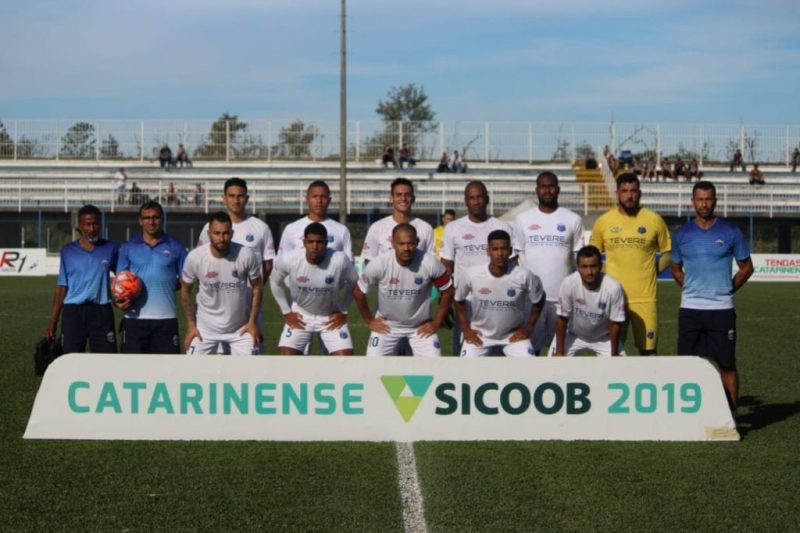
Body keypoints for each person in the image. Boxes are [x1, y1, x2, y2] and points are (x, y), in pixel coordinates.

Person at [670, 181, 754, 414]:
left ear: (715, 201)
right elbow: (675, 267)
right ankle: (687, 415)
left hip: (722, 310)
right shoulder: (681, 234)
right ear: (693, 202)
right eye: (700, 199)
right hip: (690, 310)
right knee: (685, 365)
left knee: (727, 364)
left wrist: (727, 289)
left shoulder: (731, 232)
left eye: (708, 199)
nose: (704, 204)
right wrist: (690, 287)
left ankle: (731, 416)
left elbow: (747, 268)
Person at [590, 173, 671, 355]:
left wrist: (653, 271)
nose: (629, 195)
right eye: (624, 191)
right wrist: (605, 279)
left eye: (633, 191)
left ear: (639, 193)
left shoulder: (654, 219)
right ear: (617, 194)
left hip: (645, 299)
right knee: (612, 352)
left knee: (648, 352)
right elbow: (592, 256)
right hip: (613, 298)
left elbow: (668, 252)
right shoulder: (604, 221)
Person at [353, 223, 454, 357]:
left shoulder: (429, 262)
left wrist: (437, 322)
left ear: (417, 242)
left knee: (434, 365)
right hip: (387, 326)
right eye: (401, 244)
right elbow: (358, 291)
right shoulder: (379, 263)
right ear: (393, 243)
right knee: (373, 365)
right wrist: (370, 320)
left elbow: (448, 291)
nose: (406, 248)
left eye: (410, 243)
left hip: (420, 327)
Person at [197, 178, 275, 347]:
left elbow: (267, 264)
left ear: (247, 198)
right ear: (224, 198)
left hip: (250, 304)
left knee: (250, 351)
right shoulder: (209, 228)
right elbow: (201, 261)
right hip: (217, 302)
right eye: (231, 196)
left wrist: (254, 289)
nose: (236, 200)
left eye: (240, 196)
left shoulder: (261, 228)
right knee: (218, 356)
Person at [513, 172, 584, 354]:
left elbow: (579, 259)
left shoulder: (572, 219)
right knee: (529, 351)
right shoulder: (522, 219)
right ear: (537, 190)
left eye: (551, 186)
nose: (547, 190)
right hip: (531, 299)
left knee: (561, 352)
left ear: (558, 189)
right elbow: (516, 258)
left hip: (562, 299)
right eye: (543, 187)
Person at [442, 181, 515, 354]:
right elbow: (446, 267)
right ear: (466, 201)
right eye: (471, 198)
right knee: (464, 351)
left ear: (487, 199)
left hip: (497, 301)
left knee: (498, 353)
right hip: (465, 302)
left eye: (480, 197)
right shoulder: (453, 228)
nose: (476, 202)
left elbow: (513, 265)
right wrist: (445, 300)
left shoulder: (502, 227)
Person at [180, 211, 263, 355]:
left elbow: (257, 286)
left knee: (252, 367)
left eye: (226, 233)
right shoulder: (195, 257)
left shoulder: (245, 254)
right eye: (217, 233)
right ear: (209, 234)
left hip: (240, 329)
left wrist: (252, 322)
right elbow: (185, 289)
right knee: (191, 366)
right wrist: (191, 325)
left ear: (232, 233)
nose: (222, 238)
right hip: (204, 330)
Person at [270, 223, 358, 355]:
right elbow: (274, 282)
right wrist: (286, 312)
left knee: (346, 360)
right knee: (285, 359)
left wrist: (344, 311)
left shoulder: (339, 259)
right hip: (301, 316)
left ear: (326, 243)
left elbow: (354, 283)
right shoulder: (290, 259)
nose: (315, 246)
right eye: (310, 242)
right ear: (304, 243)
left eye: (319, 242)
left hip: (330, 317)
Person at [454, 230, 544, 357]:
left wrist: (528, 329)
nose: (500, 254)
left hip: (512, 336)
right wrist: (466, 329)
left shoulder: (524, 275)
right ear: (488, 251)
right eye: (495, 249)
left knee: (529, 365)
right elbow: (458, 299)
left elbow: (539, 298)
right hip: (480, 335)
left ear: (510, 251)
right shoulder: (471, 274)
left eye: (504, 249)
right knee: (466, 367)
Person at [45, 204, 118, 353]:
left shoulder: (110, 248)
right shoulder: (67, 251)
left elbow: (123, 276)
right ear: (80, 225)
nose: (92, 228)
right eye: (87, 224)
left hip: (101, 312)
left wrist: (122, 297)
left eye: (95, 224)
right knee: (70, 359)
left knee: (106, 360)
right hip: (73, 312)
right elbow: (62, 287)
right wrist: (53, 323)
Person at [116, 201, 187, 353]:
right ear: (140, 221)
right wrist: (119, 302)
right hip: (134, 320)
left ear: (162, 219)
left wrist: (167, 284)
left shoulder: (177, 247)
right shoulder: (127, 247)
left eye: (156, 217)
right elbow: (118, 283)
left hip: (166, 320)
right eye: (146, 218)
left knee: (167, 366)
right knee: (130, 365)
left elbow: (186, 282)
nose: (151, 221)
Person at [548, 245, 626, 357]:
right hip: (573, 334)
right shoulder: (568, 283)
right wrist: (559, 352)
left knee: (620, 367)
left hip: (603, 338)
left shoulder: (613, 287)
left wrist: (614, 354)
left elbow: (615, 323)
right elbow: (562, 318)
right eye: (584, 267)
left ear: (601, 266)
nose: (589, 272)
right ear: (578, 267)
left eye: (593, 266)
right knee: (553, 365)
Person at [361, 177, 434, 263]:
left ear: (413, 198)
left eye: (407, 195)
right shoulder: (377, 228)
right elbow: (369, 261)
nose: (403, 198)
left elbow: (431, 262)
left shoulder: (426, 228)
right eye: (399, 195)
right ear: (391, 198)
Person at [277, 180, 352, 260]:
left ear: (329, 200)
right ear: (307, 199)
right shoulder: (291, 229)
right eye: (315, 196)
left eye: (323, 197)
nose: (319, 200)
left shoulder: (342, 230)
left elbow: (349, 262)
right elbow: (281, 262)